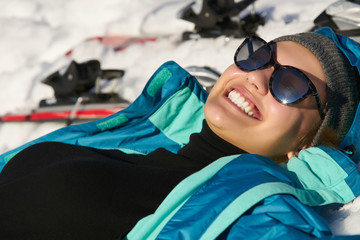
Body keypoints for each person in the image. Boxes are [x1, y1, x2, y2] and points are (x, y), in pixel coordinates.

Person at [0, 26, 359, 239]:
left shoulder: (254, 214)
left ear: (307, 144)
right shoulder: (138, 139)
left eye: (291, 83)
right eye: (259, 55)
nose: (257, 76)